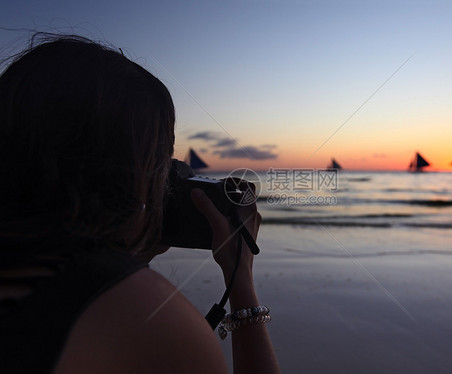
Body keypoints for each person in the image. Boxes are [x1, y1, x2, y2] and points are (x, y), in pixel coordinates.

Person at [0, 34, 280, 374]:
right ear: (127, 176)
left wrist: (134, 246)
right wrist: (242, 280)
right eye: (160, 159)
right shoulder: (143, 317)